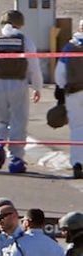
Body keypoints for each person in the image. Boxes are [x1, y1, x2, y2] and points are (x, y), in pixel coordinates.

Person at [0, 10, 43, 174]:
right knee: (19, 120)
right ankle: (16, 159)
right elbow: (34, 66)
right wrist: (37, 87)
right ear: (20, 23)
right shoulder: (25, 41)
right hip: (18, 84)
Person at [54, 19, 83, 179]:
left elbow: (60, 74)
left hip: (74, 93)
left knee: (78, 129)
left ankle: (77, 163)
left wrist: (61, 89)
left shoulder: (69, 47)